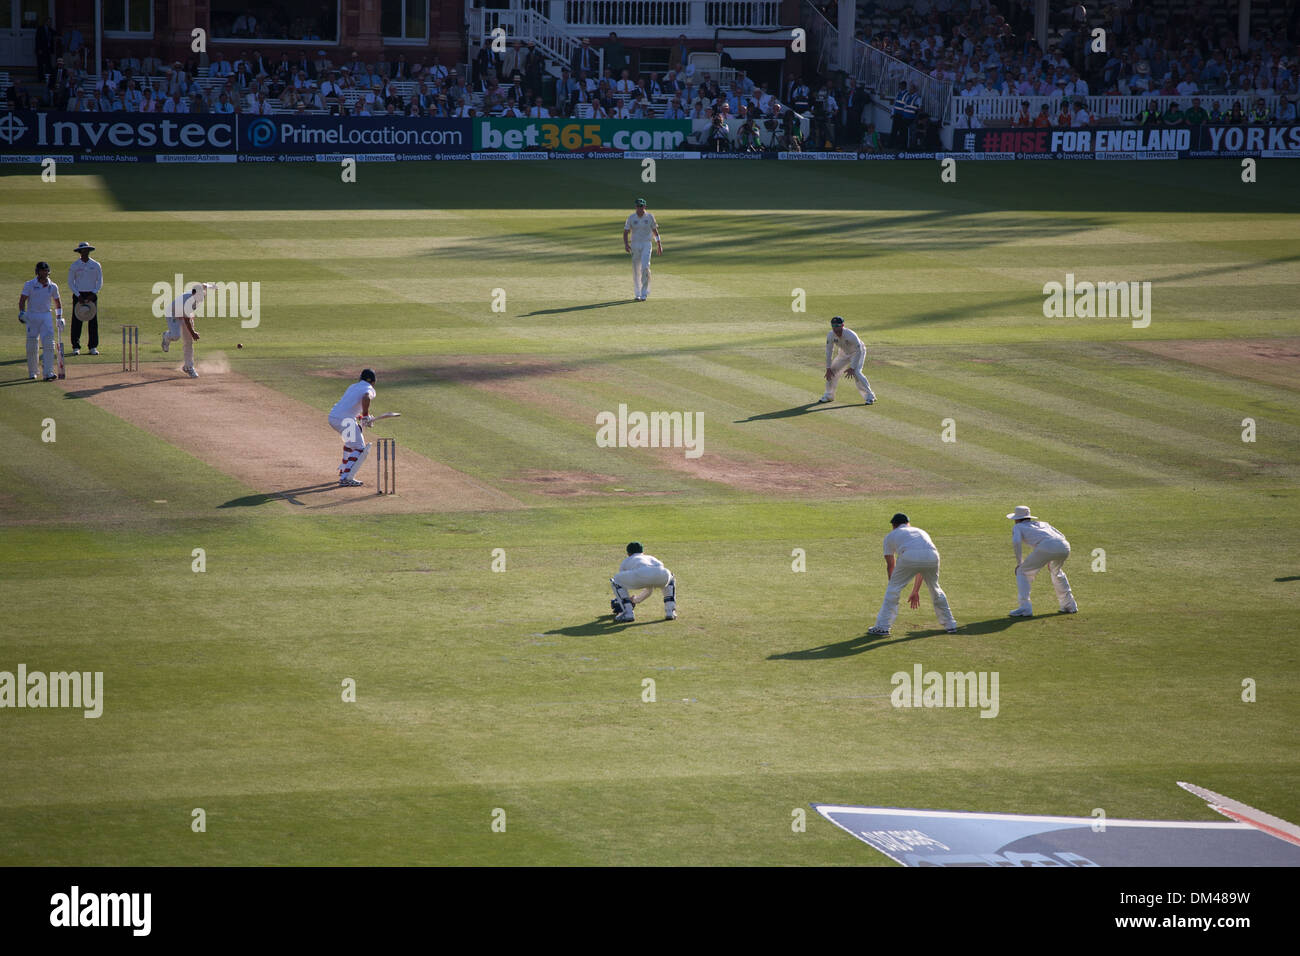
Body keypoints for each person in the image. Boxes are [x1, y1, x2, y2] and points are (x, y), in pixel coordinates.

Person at [867, 513, 958, 636]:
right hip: (932, 555)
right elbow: (921, 566)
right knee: (935, 588)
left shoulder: (890, 536)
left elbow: (890, 565)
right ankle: (951, 625)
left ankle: (882, 627)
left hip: (909, 555)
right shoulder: (920, 531)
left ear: (893, 525)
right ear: (908, 523)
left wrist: (893, 584)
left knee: (893, 591)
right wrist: (915, 590)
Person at [1006, 505, 1077, 617]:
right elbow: (1060, 536)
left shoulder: (1018, 527)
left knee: (1022, 571)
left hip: (1048, 546)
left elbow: (1016, 542)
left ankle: (1025, 608)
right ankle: (1069, 606)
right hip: (1065, 546)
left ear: (1017, 519)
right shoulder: (1044, 524)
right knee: (1056, 572)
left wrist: (1019, 563)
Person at [328, 369, 379, 486]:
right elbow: (366, 398)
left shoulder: (353, 386)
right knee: (360, 448)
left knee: (351, 444)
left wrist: (361, 417)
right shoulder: (370, 389)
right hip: (344, 420)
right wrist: (366, 416)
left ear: (360, 378)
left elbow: (350, 406)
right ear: (374, 381)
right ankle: (346, 478)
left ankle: (343, 472)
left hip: (334, 416)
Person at [18, 262, 63, 381]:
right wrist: (22, 312)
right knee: (32, 345)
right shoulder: (29, 284)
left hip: (46, 316)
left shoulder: (52, 286)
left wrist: (59, 318)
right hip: (32, 316)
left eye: (46, 270)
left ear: (48, 272)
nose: (44, 273)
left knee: (49, 345)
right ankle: (33, 371)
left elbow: (57, 303)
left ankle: (48, 372)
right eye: (42, 270)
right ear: (37, 272)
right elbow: (22, 300)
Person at [609, 542, 676, 622]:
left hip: (641, 574)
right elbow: (649, 588)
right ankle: (670, 611)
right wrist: (636, 600)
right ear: (642, 552)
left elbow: (622, 583)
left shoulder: (627, 560)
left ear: (628, 553)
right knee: (670, 578)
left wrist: (625, 600)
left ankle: (628, 612)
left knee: (616, 580)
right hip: (662, 574)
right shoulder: (651, 557)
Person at [818, 316, 876, 405]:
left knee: (857, 372)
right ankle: (829, 395)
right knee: (832, 371)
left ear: (842, 325)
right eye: (833, 326)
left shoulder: (851, 335)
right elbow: (829, 351)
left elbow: (859, 350)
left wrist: (852, 367)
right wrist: (828, 368)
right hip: (843, 353)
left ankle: (870, 396)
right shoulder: (830, 335)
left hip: (857, 352)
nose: (835, 328)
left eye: (837, 326)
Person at [160, 281, 211, 378]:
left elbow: (204, 285)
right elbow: (187, 320)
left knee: (189, 342)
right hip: (173, 313)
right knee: (175, 336)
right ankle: (166, 336)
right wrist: (193, 332)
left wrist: (209, 286)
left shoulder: (200, 293)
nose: (202, 296)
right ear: (193, 294)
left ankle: (188, 367)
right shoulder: (187, 301)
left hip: (185, 313)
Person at [622, 198, 662, 302]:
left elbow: (655, 231)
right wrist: (626, 244)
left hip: (646, 244)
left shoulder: (650, 217)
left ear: (645, 206)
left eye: (641, 206)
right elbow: (626, 232)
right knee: (636, 269)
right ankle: (637, 293)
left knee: (645, 266)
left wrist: (659, 244)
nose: (640, 208)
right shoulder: (631, 218)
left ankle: (644, 293)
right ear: (635, 207)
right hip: (635, 244)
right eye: (638, 206)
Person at [67, 241, 102, 355]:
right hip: (79, 295)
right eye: (83, 250)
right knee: (77, 321)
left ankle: (93, 347)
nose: (85, 252)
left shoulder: (96, 265)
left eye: (86, 250)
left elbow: (99, 281)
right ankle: (76, 347)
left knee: (93, 321)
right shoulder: (75, 265)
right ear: (80, 252)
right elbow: (70, 282)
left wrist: (94, 293)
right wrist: (78, 295)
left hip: (92, 294)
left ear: (89, 251)